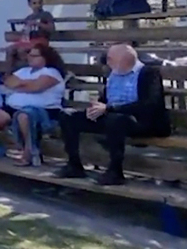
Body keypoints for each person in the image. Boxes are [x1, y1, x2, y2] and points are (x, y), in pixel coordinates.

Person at [56, 44, 169, 185]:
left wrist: (110, 108)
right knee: (68, 116)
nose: (107, 62)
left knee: (115, 120)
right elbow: (105, 101)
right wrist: (96, 108)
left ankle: (116, 171)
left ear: (125, 60)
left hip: (141, 121)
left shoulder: (149, 73)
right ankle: (74, 165)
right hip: (112, 116)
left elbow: (149, 104)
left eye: (110, 59)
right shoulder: (114, 75)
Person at [2, 44, 68, 166]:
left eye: (34, 55)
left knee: (24, 115)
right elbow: (8, 82)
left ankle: (29, 152)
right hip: (15, 108)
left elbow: (36, 87)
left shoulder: (52, 72)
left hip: (46, 111)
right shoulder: (24, 71)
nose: (29, 58)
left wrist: (20, 85)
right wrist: (26, 84)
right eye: (29, 55)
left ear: (45, 58)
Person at [6, 0, 56, 69]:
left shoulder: (46, 15)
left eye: (39, 3)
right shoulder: (29, 17)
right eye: (34, 3)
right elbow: (25, 32)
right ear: (30, 4)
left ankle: (27, 69)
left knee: (21, 50)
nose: (37, 5)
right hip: (30, 40)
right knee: (10, 50)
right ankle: (8, 73)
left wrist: (38, 24)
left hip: (41, 40)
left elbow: (51, 28)